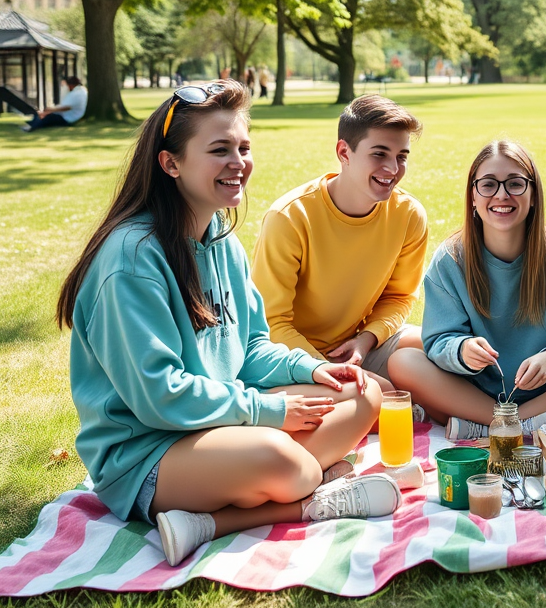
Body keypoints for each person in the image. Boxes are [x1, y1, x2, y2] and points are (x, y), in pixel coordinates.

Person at [57, 80, 399, 568]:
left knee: (362, 393)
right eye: (219, 150)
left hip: (216, 423)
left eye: (243, 147)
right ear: (171, 163)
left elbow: (252, 347)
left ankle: (259, 487)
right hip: (147, 452)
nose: (238, 162)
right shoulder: (131, 259)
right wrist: (269, 413)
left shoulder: (222, 238)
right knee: (286, 462)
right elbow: (161, 397)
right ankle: (294, 501)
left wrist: (310, 370)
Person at [388, 140, 546, 439]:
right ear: (473, 197)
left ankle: (497, 427)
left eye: (515, 184)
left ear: (533, 195)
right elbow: (439, 339)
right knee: (403, 360)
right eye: (488, 185)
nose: (502, 195)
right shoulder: (450, 259)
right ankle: (513, 425)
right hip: (474, 393)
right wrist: (462, 350)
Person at [251, 94, 428, 391]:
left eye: (401, 156)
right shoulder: (290, 217)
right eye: (379, 154)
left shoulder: (408, 215)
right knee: (375, 392)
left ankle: (478, 420)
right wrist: (324, 367)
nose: (393, 169)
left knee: (438, 345)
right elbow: (270, 323)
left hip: (355, 348)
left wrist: (366, 339)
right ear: (344, 152)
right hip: (292, 357)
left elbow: (399, 298)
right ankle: (407, 407)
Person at [15, 76, 87, 132]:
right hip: (67, 116)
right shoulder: (80, 91)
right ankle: (31, 123)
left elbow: (67, 107)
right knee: (42, 115)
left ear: (71, 85)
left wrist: (52, 110)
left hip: (67, 118)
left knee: (48, 117)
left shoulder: (77, 93)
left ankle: (32, 128)